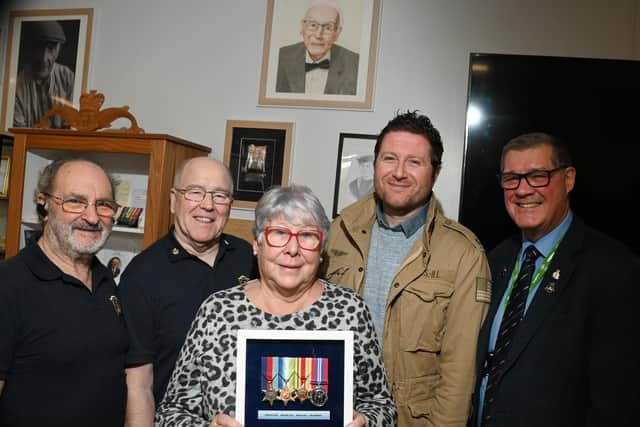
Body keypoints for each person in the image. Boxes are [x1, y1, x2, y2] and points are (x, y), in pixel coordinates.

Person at [156, 185, 396, 427]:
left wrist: (367, 422)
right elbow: (170, 413)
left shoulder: (349, 311)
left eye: (307, 236)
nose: (292, 249)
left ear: (321, 251)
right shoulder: (217, 312)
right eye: (279, 233)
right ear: (257, 244)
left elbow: (382, 405)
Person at [321, 111, 491, 426]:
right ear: (374, 165)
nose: (399, 172)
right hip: (334, 412)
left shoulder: (463, 254)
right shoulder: (337, 233)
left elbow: (459, 374)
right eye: (389, 159)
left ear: (435, 173)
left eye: (414, 162)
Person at [472, 132, 640, 427]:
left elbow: (615, 401)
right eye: (512, 178)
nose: (523, 190)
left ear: (569, 179)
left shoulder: (612, 268)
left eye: (538, 176)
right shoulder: (494, 260)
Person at [119, 157, 258, 426]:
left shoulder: (250, 258)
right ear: (173, 200)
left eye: (220, 195)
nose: (207, 205)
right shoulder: (142, 274)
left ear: (230, 204)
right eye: (195, 192)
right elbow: (139, 385)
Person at [0, 159, 127, 426]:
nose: (92, 217)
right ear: (44, 204)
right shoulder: (9, 285)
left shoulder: (108, 283)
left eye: (103, 204)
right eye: (75, 201)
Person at [276, 3, 359, 95]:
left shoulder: (355, 63)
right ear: (302, 28)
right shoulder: (281, 57)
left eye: (328, 27)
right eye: (313, 25)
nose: (318, 35)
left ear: (337, 33)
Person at [14, 20, 74, 129]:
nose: (44, 58)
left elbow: (73, 126)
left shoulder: (67, 77)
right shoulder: (17, 83)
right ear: (30, 48)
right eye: (39, 47)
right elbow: (19, 136)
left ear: (59, 48)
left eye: (51, 48)